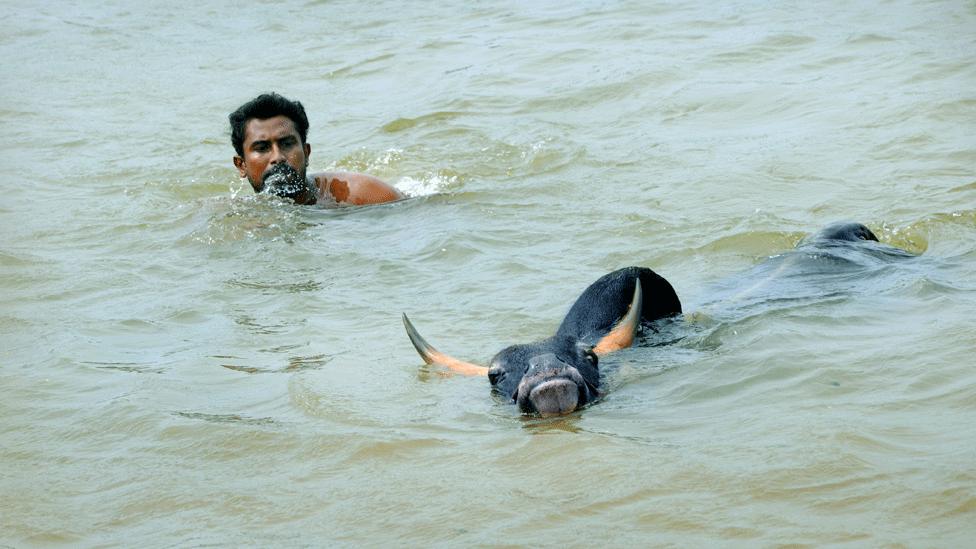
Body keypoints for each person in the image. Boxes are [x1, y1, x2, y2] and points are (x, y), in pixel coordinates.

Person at [229, 93, 404, 206]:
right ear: (241, 165)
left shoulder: (367, 195)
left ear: (306, 153)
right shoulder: (238, 220)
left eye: (287, 144)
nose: (278, 157)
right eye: (262, 148)